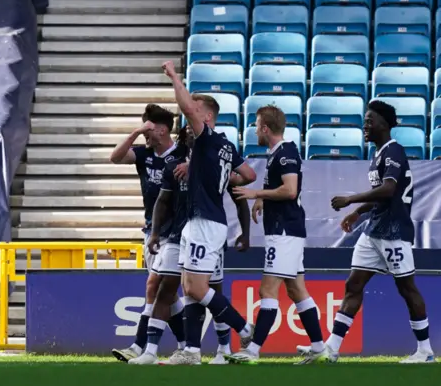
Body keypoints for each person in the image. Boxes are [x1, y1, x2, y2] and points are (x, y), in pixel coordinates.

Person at [300, 100, 435, 363]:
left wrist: (351, 200)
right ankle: (332, 348)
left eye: (370, 120)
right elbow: (381, 197)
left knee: (407, 288)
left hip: (394, 232)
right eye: (365, 120)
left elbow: (388, 190)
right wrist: (359, 211)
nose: (365, 125)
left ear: (384, 124)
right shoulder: (378, 154)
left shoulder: (394, 151)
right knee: (353, 284)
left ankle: (425, 351)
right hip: (374, 230)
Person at [129, 126, 252, 365]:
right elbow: (162, 201)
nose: (193, 137)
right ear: (183, 138)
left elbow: (239, 197)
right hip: (178, 236)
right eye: (189, 135)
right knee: (171, 290)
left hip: (208, 234)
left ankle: (225, 346)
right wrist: (155, 233)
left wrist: (246, 233)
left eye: (196, 133)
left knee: (208, 291)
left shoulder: (212, 165)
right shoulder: (174, 164)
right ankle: (157, 352)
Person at [161, 60, 257, 365]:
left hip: (206, 221)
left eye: (197, 110)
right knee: (190, 289)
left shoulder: (207, 138)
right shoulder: (223, 146)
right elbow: (250, 175)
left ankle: (243, 326)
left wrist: (175, 76)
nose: (191, 113)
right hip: (201, 221)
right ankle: (191, 350)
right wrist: (217, 174)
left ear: (209, 116)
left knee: (197, 287)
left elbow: (187, 108)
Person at [228, 105, 326, 364]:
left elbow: (290, 190)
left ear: (265, 128)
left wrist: (256, 194)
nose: (254, 130)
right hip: (285, 230)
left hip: (285, 231)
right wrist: (264, 198)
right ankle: (318, 347)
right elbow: (280, 187)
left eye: (257, 125)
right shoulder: (276, 153)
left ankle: (253, 351)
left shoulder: (286, 152)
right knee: (296, 290)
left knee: (267, 290)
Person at [109, 104, 188, 362]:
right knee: (167, 293)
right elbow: (115, 157)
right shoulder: (144, 154)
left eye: (148, 130)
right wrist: (135, 132)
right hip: (151, 230)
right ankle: (186, 346)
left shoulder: (182, 155)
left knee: (154, 286)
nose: (145, 135)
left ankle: (139, 346)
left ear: (163, 131)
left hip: (175, 233)